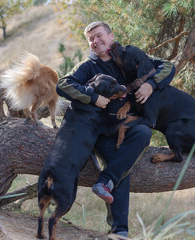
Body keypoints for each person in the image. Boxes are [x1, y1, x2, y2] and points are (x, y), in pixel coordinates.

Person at [56, 21, 175, 238]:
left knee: (144, 133)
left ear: (111, 36)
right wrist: (94, 98)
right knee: (120, 165)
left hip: (126, 125)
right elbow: (63, 85)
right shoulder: (88, 66)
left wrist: (151, 84)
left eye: (99, 35)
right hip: (99, 130)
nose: (95, 41)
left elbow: (167, 66)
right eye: (90, 39)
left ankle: (105, 181)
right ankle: (119, 231)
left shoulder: (127, 56)